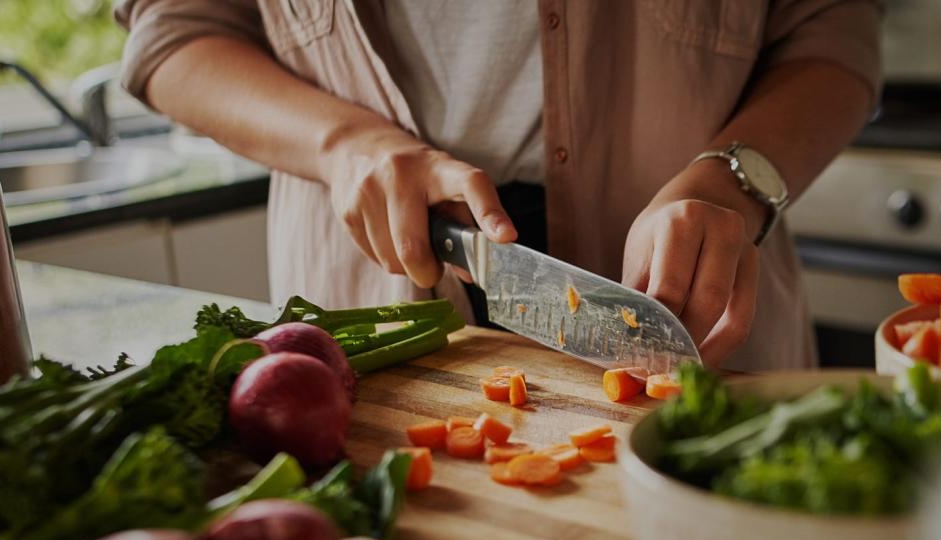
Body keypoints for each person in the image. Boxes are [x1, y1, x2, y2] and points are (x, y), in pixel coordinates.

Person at [116, 1, 880, 369]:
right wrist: (345, 144)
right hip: (381, 292)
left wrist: (733, 180)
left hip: (698, 305)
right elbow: (174, 34)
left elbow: (834, 39)